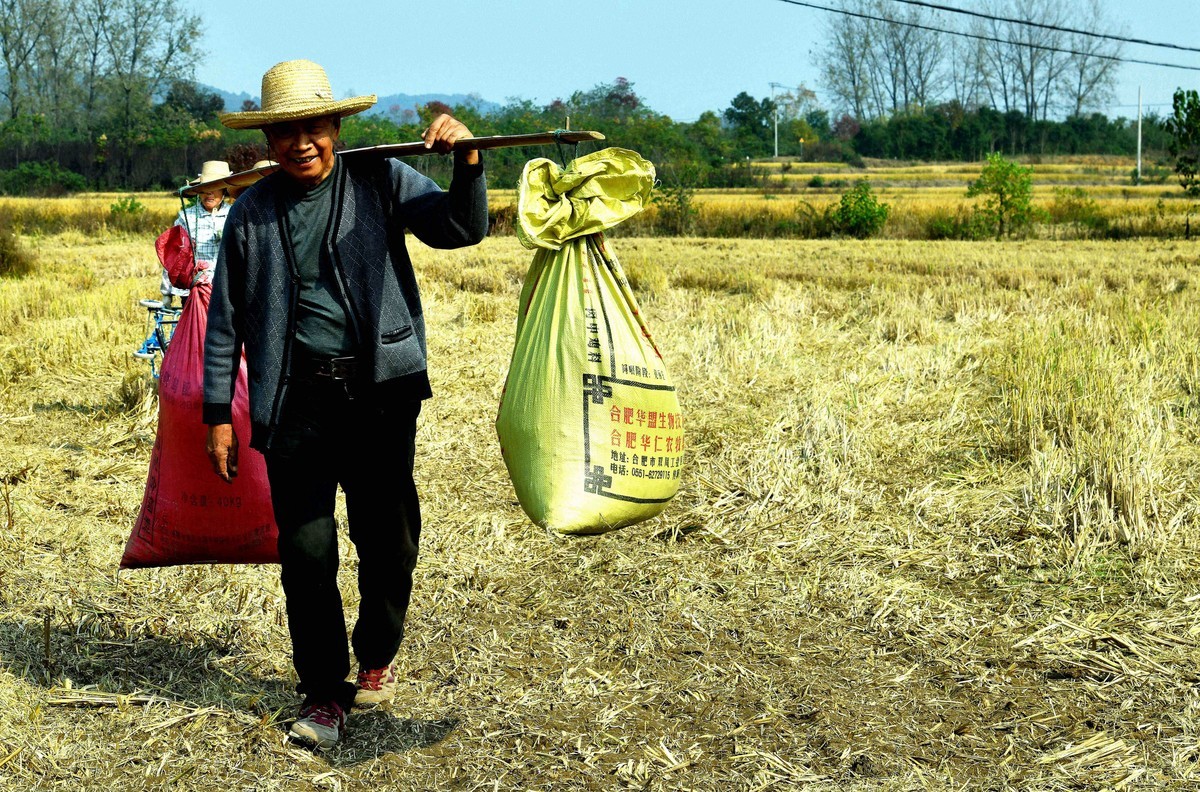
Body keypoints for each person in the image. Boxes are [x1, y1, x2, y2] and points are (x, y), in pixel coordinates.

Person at [202, 59, 487, 750]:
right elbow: (226, 319)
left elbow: (460, 227)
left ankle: (377, 648)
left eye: (315, 126)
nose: (302, 142)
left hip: (379, 397)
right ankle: (325, 691)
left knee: (388, 544)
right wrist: (217, 412)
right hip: (293, 400)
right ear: (268, 140)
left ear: (336, 126)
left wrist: (470, 163)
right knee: (305, 553)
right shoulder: (252, 211)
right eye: (286, 131)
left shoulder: (382, 179)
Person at [165, 161, 233, 306]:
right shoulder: (186, 217)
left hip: (227, 290)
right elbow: (173, 257)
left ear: (224, 190)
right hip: (194, 290)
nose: (209, 193)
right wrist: (166, 293)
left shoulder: (235, 214)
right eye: (205, 188)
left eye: (214, 188)